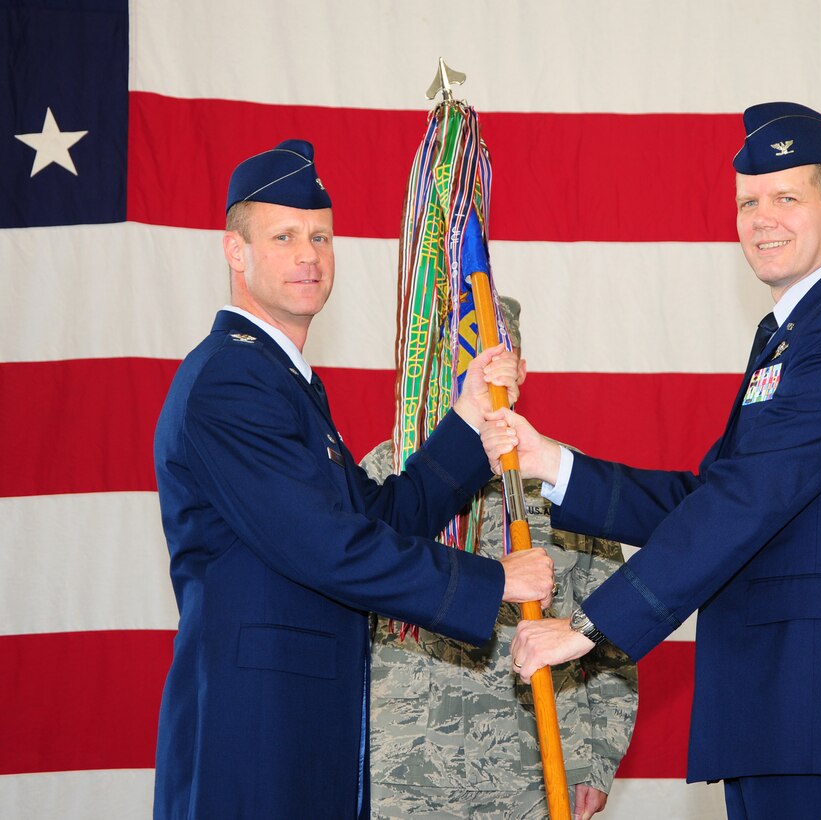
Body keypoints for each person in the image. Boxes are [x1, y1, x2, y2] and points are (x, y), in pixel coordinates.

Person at [495, 103, 821, 819]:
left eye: (787, 197)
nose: (761, 217)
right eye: (747, 201)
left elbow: (744, 503)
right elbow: (718, 497)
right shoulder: (795, 332)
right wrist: (553, 462)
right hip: (781, 709)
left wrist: (586, 628)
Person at [151, 140, 554, 820]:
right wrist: (494, 582)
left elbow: (378, 520)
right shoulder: (231, 379)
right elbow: (324, 545)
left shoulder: (282, 381)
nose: (308, 255)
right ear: (235, 251)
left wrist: (467, 418)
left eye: (321, 237)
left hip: (300, 715)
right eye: (283, 237)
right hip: (256, 725)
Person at [363, 297, 638, 820]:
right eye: (466, 361)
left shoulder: (563, 481)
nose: (483, 375)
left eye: (499, 361)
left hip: (532, 768)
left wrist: (598, 757)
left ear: (524, 371)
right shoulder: (385, 479)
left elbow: (613, 625)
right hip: (402, 770)